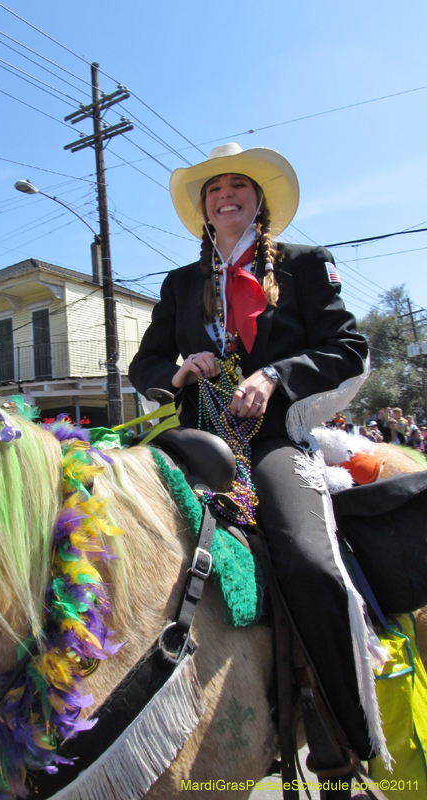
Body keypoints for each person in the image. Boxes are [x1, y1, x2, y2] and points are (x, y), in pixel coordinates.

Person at [129, 143, 385, 775]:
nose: (226, 195)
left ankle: (349, 739)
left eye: (239, 186)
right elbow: (146, 365)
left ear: (258, 200)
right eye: (214, 189)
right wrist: (182, 368)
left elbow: (347, 348)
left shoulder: (303, 266)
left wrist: (273, 376)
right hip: (196, 440)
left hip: (270, 441)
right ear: (204, 208)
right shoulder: (180, 284)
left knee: (306, 558)